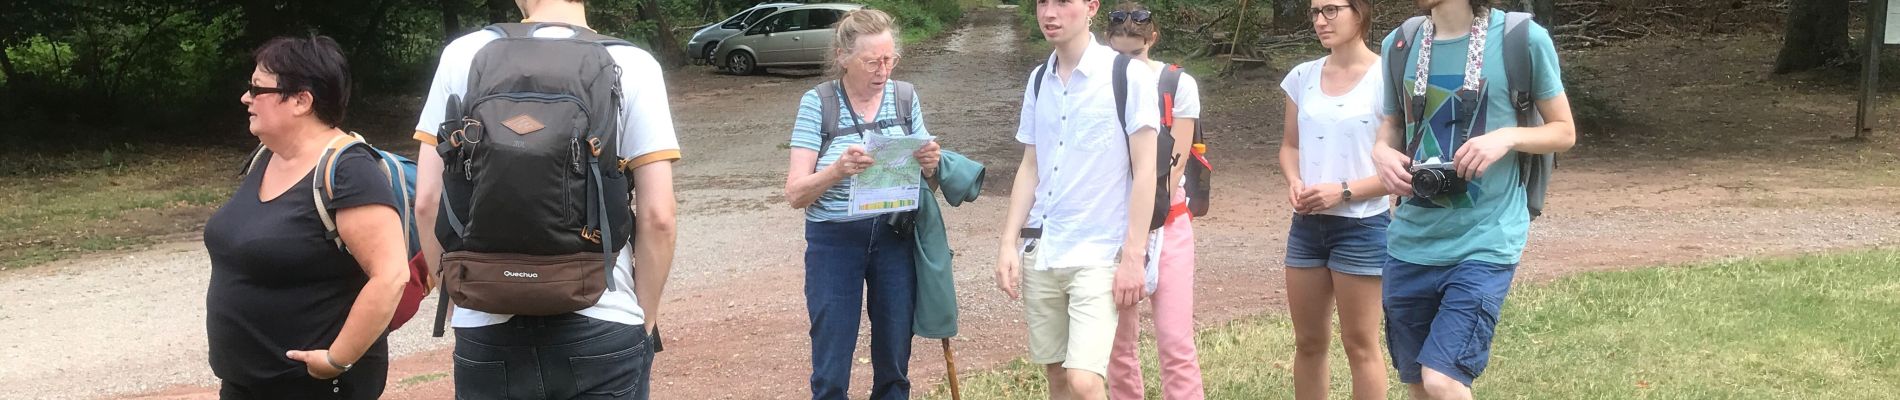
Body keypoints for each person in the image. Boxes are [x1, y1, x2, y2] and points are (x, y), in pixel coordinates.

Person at [411, 0, 681, 398]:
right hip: (602, 318)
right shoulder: (632, 63)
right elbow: (659, 216)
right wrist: (643, 318)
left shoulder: (463, 54)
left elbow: (427, 200)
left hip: (485, 317)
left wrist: (459, 299)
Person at [1372, 0, 1575, 398]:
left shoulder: (1522, 40)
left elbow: (1564, 132)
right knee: (1418, 385)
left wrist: (1507, 137)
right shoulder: (1399, 43)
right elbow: (1392, 124)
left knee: (1442, 379)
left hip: (1485, 240)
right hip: (1410, 242)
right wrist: (1381, 152)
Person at [204, 35, 408, 399]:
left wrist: (336, 360)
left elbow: (391, 276)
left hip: (314, 388)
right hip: (247, 384)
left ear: (301, 100)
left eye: (257, 89)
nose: (246, 98)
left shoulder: (348, 171)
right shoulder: (266, 157)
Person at [995, 0, 1162, 398]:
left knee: (1084, 381)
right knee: (1056, 375)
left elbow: (1146, 171)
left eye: (1062, 2)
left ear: (1091, 7)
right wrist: (1008, 243)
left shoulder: (1127, 75)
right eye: (1041, 3)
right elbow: (1030, 166)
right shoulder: (1039, 79)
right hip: (1044, 249)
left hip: (1099, 251)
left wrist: (1134, 256)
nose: (1049, 13)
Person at [781, 8, 941, 400]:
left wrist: (931, 165)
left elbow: (928, 182)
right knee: (832, 362)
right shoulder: (818, 103)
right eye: (872, 61)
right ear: (842, 57)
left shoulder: (905, 97)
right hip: (834, 241)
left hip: (894, 237)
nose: (882, 70)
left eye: (890, 59)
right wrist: (836, 170)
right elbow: (795, 193)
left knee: (895, 359)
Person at [1275, 1, 1391, 399]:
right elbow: (1290, 146)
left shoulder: (1386, 78)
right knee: (1308, 343)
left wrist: (1341, 191)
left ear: (1360, 12)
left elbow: (1400, 169)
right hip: (1306, 226)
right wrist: (1294, 180)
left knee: (1360, 345)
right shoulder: (1302, 76)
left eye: (1331, 10)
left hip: (1362, 226)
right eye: (1313, 13)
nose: (1320, 21)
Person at [1100, 2, 1206, 399]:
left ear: (1153, 40)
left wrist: (1145, 227)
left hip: (1169, 219)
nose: (1129, 63)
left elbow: (1173, 166)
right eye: (1120, 54)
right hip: (1115, 222)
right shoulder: (1103, 83)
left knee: (1176, 342)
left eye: (1136, 53)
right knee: (1118, 343)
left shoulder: (1178, 84)